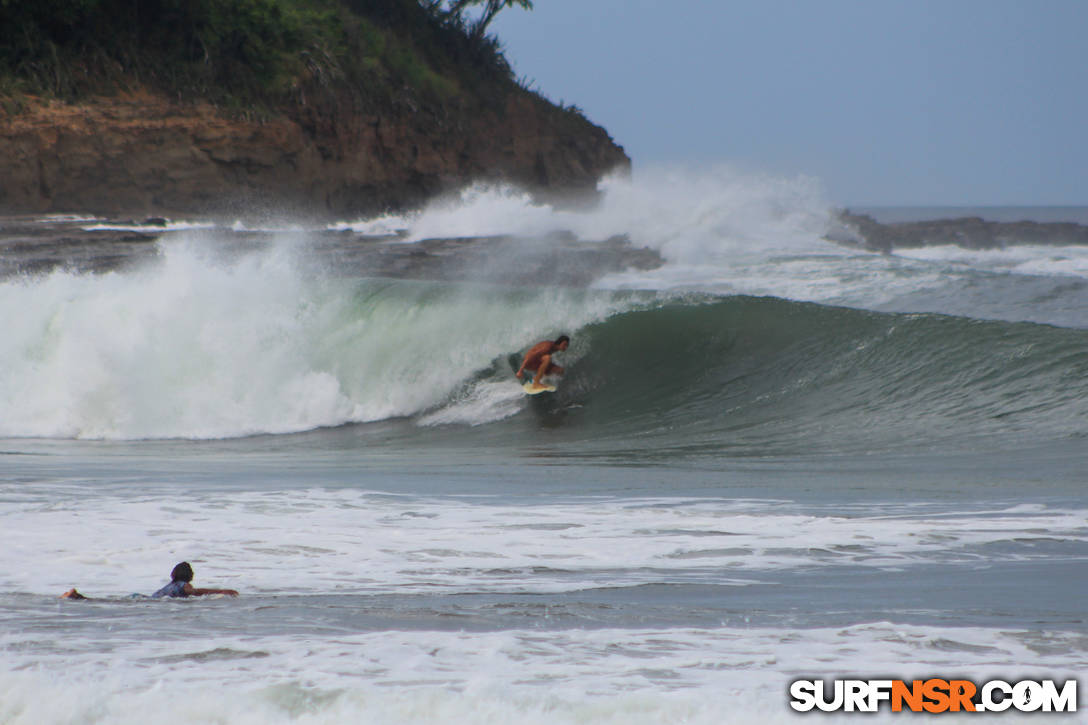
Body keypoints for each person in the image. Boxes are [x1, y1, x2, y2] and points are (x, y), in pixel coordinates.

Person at [60, 561, 238, 600]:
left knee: (105, 602)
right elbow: (193, 592)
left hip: (142, 598)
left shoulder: (173, 584)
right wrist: (221, 591)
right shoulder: (185, 585)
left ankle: (76, 596)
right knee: (104, 602)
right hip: (145, 601)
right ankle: (75, 596)